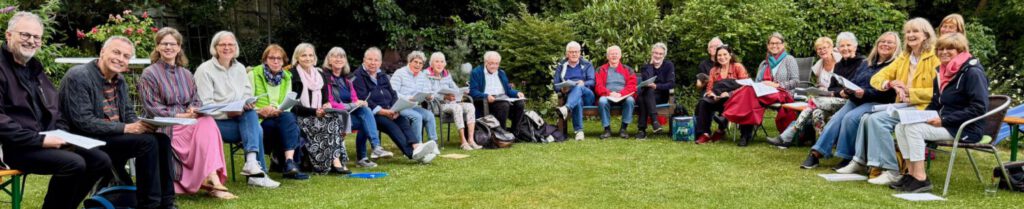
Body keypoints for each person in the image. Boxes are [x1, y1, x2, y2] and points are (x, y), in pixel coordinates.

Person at [0, 11, 112, 209]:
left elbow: (56, 110)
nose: (31, 41)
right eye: (25, 35)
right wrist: (41, 140)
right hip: (11, 147)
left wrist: (63, 136)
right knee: (74, 163)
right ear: (9, 35)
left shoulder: (35, 68)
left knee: (100, 160)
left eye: (36, 37)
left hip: (43, 140)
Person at [59, 36, 176, 209]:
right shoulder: (78, 76)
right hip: (86, 139)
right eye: (116, 52)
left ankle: (167, 203)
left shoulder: (119, 80)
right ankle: (149, 204)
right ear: (102, 52)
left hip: (110, 136)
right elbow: (83, 122)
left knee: (161, 139)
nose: (120, 59)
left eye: (126, 56)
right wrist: (127, 127)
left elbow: (128, 113)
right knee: (148, 143)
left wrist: (143, 125)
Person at [137, 27, 235, 199]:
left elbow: (196, 100)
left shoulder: (186, 74)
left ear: (179, 47)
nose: (169, 47)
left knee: (208, 122)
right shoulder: (149, 73)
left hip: (188, 123)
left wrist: (194, 109)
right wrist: (181, 116)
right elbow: (152, 107)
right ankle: (212, 182)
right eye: (164, 43)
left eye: (173, 44)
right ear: (157, 47)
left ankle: (212, 177)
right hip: (164, 125)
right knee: (204, 126)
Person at [891, 33, 987, 193]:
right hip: (945, 123)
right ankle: (911, 173)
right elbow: (935, 103)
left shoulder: (972, 72)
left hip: (965, 128)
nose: (943, 52)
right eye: (940, 49)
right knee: (901, 126)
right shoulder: (941, 72)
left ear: (961, 50)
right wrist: (922, 116)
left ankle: (921, 179)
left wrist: (944, 120)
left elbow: (978, 108)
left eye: (950, 48)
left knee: (914, 129)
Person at [856, 18, 940, 185]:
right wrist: (889, 83)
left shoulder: (935, 57)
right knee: (867, 117)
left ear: (926, 35)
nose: (910, 35)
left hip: (926, 108)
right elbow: (877, 78)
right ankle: (871, 165)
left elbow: (940, 93)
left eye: (915, 31)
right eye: (908, 32)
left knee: (877, 120)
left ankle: (892, 170)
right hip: (903, 106)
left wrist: (910, 92)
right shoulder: (905, 56)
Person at [194, 31, 279, 188]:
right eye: (223, 44)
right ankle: (257, 173)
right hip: (214, 123)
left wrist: (248, 104)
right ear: (215, 47)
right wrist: (228, 111)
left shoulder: (240, 68)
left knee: (251, 113)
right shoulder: (204, 70)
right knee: (257, 130)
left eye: (231, 44)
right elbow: (205, 106)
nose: (227, 48)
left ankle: (252, 164)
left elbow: (247, 95)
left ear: (236, 47)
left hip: (239, 119)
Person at [804, 32, 901, 170]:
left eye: (890, 42)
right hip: (856, 99)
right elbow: (854, 81)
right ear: (877, 44)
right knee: (836, 119)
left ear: (896, 46)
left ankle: (847, 157)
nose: (885, 44)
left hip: (877, 102)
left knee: (850, 118)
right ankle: (815, 153)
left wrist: (865, 93)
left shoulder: (895, 65)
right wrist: (849, 89)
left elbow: (889, 92)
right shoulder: (867, 62)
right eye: (882, 41)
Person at [352, 47, 438, 165]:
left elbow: (392, 93)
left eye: (376, 60)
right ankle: (412, 154)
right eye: (370, 59)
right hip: (373, 113)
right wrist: (384, 111)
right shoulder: (359, 76)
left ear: (380, 62)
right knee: (393, 128)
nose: (373, 63)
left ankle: (417, 146)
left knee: (403, 122)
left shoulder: (381, 75)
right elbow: (364, 99)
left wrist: (395, 108)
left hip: (390, 109)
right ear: (364, 60)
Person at [770, 34, 856, 149]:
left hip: (844, 99)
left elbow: (846, 85)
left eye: (825, 48)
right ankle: (822, 145)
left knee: (813, 103)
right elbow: (823, 85)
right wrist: (819, 91)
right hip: (826, 98)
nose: (822, 51)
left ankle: (790, 133)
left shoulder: (842, 63)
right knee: (816, 112)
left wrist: (831, 92)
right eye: (819, 49)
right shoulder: (818, 66)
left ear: (832, 48)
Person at [287, 43, 350, 174]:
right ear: (297, 57)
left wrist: (326, 105)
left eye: (310, 55)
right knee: (327, 124)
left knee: (334, 120)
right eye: (304, 55)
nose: (308, 58)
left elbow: (326, 99)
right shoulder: (292, 75)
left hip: (318, 113)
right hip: (301, 116)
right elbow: (293, 105)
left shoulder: (320, 75)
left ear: (314, 57)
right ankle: (331, 164)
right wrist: (314, 112)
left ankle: (335, 161)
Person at [247, 44, 309, 180]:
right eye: (272, 58)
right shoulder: (253, 74)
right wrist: (261, 111)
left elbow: (287, 102)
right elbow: (247, 101)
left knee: (288, 116)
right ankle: (291, 164)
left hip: (279, 115)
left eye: (279, 59)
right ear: (265, 60)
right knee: (292, 125)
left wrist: (278, 110)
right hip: (259, 119)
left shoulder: (286, 76)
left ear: (283, 61)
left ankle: (288, 161)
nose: (276, 61)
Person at [321, 47, 387, 168]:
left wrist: (361, 102)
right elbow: (331, 102)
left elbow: (354, 98)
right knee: (365, 120)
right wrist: (353, 105)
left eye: (342, 57)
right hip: (334, 115)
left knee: (366, 112)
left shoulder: (347, 78)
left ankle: (375, 147)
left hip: (348, 114)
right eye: (335, 56)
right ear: (329, 60)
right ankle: (363, 156)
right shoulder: (326, 77)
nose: (338, 59)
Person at [426, 52, 481, 150]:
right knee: (457, 107)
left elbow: (455, 89)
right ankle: (463, 142)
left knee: (470, 106)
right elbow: (427, 93)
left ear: (445, 64)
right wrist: (444, 97)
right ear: (431, 64)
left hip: (451, 103)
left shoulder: (446, 74)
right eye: (436, 61)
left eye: (442, 62)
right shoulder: (426, 75)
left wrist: (461, 93)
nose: (439, 64)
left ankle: (471, 140)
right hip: (436, 105)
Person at [694, 45, 748, 144]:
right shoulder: (713, 70)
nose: (722, 57)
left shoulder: (738, 67)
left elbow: (745, 86)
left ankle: (720, 130)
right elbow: (709, 88)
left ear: (730, 55)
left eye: (725, 54)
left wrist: (729, 93)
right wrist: (712, 94)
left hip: (734, 99)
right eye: (719, 55)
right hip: (717, 98)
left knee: (727, 97)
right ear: (716, 57)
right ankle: (704, 134)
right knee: (703, 102)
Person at [469, 51, 526, 131]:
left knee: (520, 103)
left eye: (497, 63)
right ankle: (502, 132)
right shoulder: (477, 72)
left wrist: (517, 93)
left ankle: (515, 132)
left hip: (503, 98)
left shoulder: (501, 73)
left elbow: (508, 90)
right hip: (487, 101)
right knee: (504, 105)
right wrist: (486, 96)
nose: (494, 66)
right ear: (486, 62)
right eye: (491, 63)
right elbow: (473, 91)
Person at [390, 51, 439, 144]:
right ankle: (417, 145)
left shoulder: (423, 76)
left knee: (430, 115)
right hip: (400, 106)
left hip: (414, 106)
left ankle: (433, 143)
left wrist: (429, 97)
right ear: (410, 62)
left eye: (420, 63)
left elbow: (427, 91)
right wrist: (408, 98)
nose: (418, 65)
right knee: (417, 117)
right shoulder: (400, 73)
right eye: (415, 62)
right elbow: (392, 92)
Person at [552, 41, 595, 141]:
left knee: (578, 87)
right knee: (577, 101)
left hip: (587, 96)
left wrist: (583, 83)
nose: (574, 54)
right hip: (572, 96)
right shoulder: (561, 66)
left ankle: (566, 108)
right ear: (567, 54)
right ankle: (579, 132)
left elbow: (592, 81)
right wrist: (562, 89)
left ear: (580, 53)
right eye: (571, 52)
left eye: (576, 52)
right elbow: (555, 84)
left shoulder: (587, 65)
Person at [594, 45, 637, 139]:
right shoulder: (600, 69)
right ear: (607, 56)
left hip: (623, 96)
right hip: (607, 95)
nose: (614, 56)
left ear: (620, 56)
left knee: (630, 100)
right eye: (611, 54)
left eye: (616, 53)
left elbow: (632, 86)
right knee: (602, 101)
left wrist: (621, 94)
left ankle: (623, 129)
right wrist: (609, 93)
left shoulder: (628, 70)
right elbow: (598, 86)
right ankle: (607, 129)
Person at [636, 42, 675, 139]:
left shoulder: (668, 65)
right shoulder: (646, 67)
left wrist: (656, 86)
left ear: (664, 55)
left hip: (661, 96)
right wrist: (650, 65)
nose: (658, 56)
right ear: (652, 54)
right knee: (646, 93)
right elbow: (647, 80)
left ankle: (642, 130)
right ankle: (655, 122)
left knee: (643, 97)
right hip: (647, 94)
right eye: (655, 53)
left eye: (660, 54)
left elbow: (671, 83)